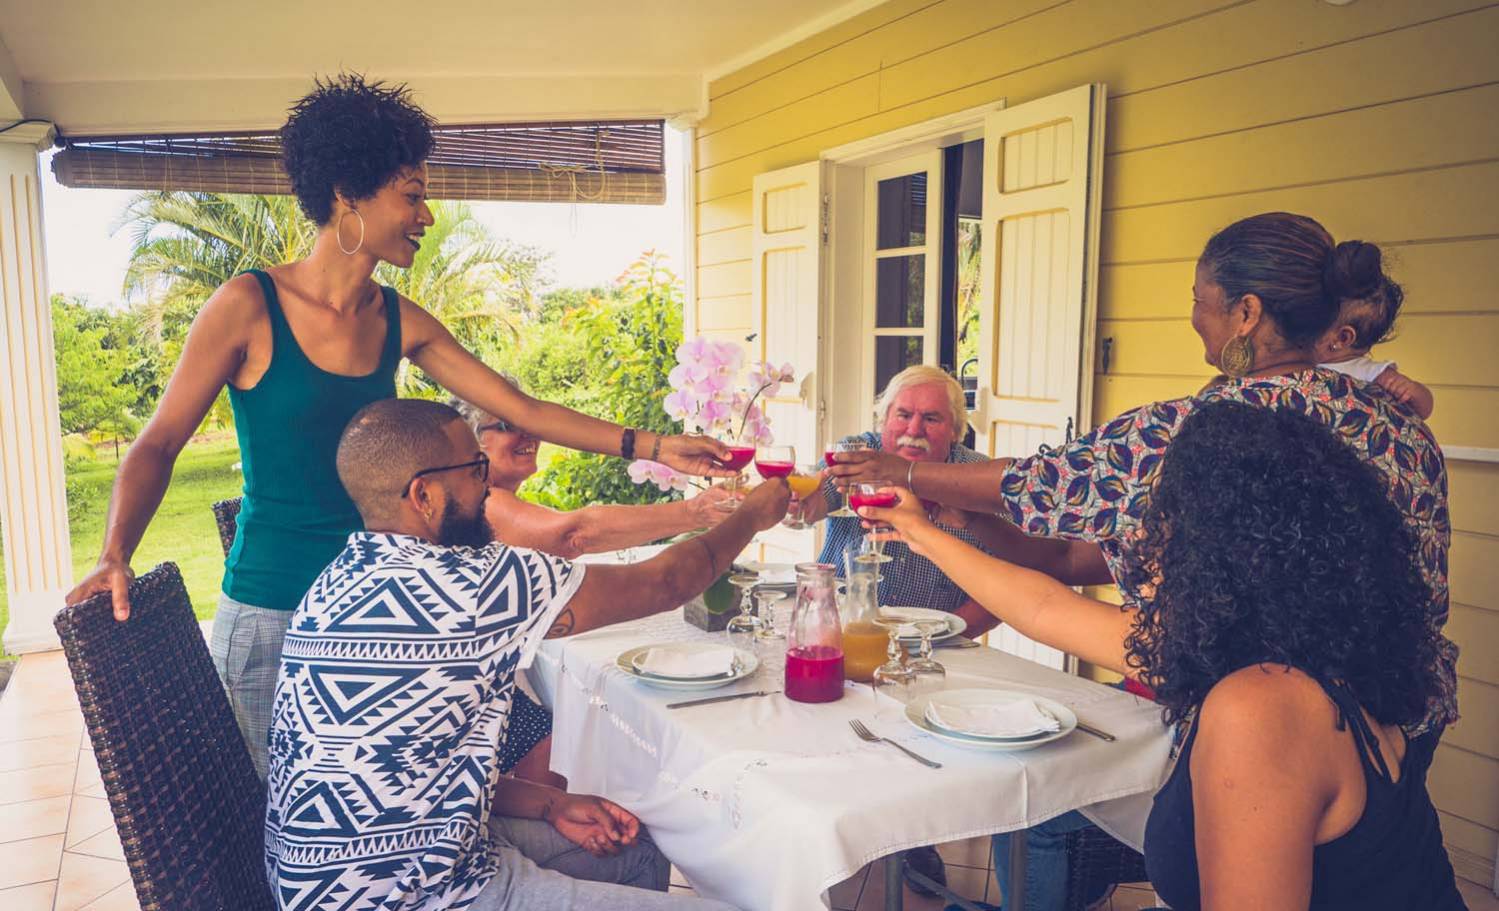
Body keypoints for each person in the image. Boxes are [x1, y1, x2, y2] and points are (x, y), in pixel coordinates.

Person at [63, 75, 728, 779]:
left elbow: (522, 408)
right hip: (274, 616)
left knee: (385, 799)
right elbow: (159, 443)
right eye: (412, 195)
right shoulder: (247, 306)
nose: (427, 214)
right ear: (348, 194)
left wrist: (657, 446)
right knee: (289, 823)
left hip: (381, 613)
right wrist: (115, 551)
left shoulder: (397, 319)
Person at [831, 211, 1456, 737]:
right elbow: (1069, 561)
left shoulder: (1209, 426)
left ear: (1246, 313)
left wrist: (907, 476)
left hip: (1273, 731)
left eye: (1199, 301)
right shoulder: (1400, 423)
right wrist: (959, 514)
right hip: (1401, 717)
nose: (1194, 318)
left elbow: (1041, 489)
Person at [864, 402, 1467, 910]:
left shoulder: (1260, 708)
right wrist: (918, 529)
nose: (1147, 541)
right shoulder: (1296, 648)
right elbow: (1044, 608)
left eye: (1163, 519)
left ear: (1218, 549)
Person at [266, 398, 788, 911]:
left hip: (339, 880)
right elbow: (668, 581)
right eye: (474, 468)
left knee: (634, 852)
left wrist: (551, 801)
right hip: (421, 895)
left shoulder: (333, 581)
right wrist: (751, 516)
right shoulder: (471, 585)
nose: (485, 481)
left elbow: (409, 769)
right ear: (423, 494)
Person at [450, 395, 732, 788]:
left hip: (477, 700)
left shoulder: (488, 501)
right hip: (469, 719)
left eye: (532, 424)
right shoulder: (486, 504)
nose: (530, 433)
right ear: (472, 443)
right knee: (583, 735)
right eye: (509, 425)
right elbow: (574, 535)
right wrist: (695, 512)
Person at [802, 365, 1003, 638]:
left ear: (956, 431)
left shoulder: (976, 477)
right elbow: (810, 507)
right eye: (903, 415)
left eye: (931, 418)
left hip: (932, 644)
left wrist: (945, 638)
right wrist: (799, 504)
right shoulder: (859, 454)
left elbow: (1007, 581)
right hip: (838, 631)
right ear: (884, 419)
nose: (914, 429)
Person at [1311, 266, 1434, 418]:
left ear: (1342, 338)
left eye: (1312, 324)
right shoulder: (1304, 361)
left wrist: (1411, 389)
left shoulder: (1370, 373)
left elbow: (1424, 409)